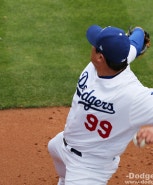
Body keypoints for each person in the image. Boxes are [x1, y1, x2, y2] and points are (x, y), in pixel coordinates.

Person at [48, 25, 153, 185]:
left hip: (90, 167)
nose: (92, 46)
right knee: (54, 149)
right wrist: (139, 31)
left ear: (100, 57)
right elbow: (135, 44)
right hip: (62, 145)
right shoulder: (117, 58)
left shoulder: (133, 96)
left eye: (94, 45)